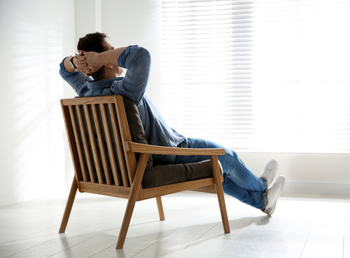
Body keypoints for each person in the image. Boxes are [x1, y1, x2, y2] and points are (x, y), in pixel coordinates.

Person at [59, 32, 285, 216]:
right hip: (169, 149)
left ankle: (261, 201)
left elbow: (63, 69)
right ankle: (261, 187)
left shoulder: (85, 90)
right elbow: (140, 56)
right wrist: (97, 58)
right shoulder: (125, 90)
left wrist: (74, 61)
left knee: (220, 171)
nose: (115, 54)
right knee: (227, 156)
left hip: (144, 155)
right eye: (111, 50)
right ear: (103, 59)